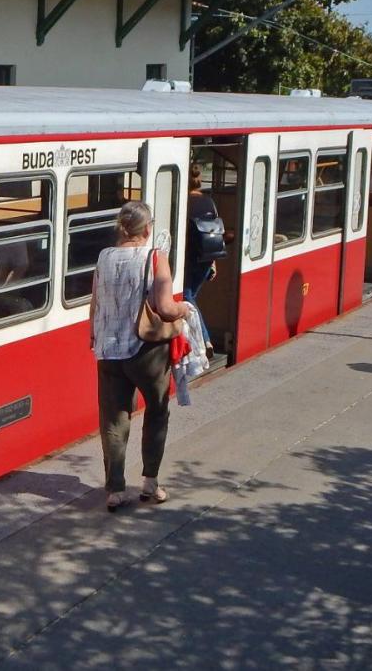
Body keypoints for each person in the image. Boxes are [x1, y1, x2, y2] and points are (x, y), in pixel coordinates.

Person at [90, 201, 190, 512]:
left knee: (114, 417)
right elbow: (164, 307)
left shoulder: (103, 257)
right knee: (157, 410)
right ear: (147, 229)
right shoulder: (154, 257)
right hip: (145, 351)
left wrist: (94, 337)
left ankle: (115, 490)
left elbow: (95, 304)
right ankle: (150, 483)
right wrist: (184, 309)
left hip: (108, 349)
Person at [183, 164, 226, 355]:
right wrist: (213, 263)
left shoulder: (183, 203)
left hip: (188, 260)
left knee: (187, 298)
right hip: (206, 260)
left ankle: (204, 341)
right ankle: (194, 342)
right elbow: (214, 231)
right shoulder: (210, 202)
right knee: (190, 298)